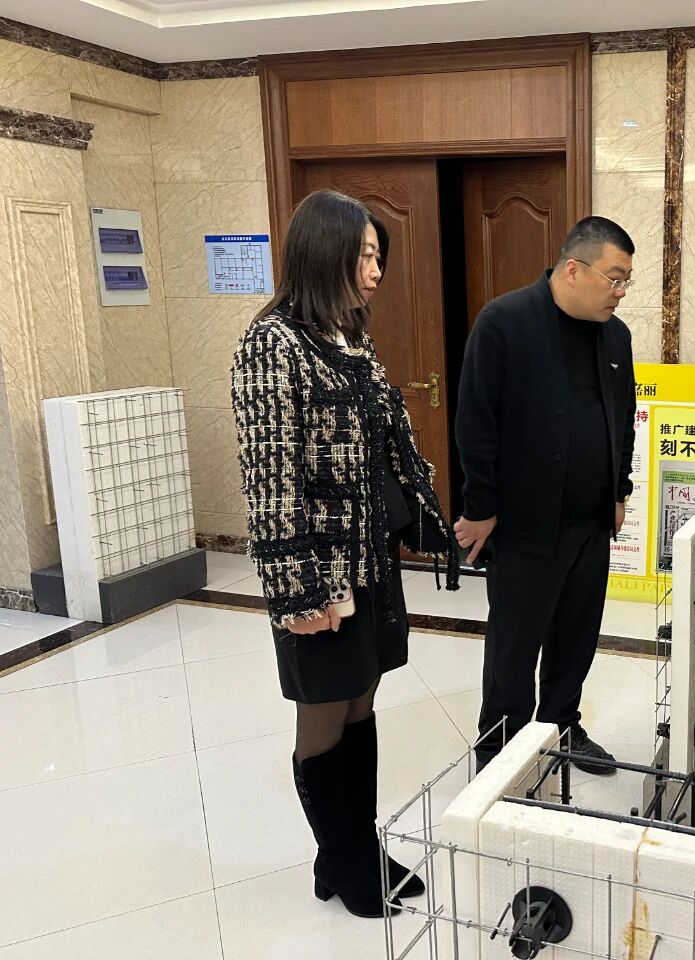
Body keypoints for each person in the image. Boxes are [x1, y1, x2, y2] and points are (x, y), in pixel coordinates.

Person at [230, 190, 459, 919]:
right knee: (324, 718)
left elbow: (385, 446)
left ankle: (355, 849)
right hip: (320, 575)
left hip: (369, 566)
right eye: (364, 255)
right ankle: (342, 861)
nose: (376, 270)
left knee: (361, 704)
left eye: (377, 255)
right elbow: (271, 480)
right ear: (323, 251)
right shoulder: (273, 344)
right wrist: (298, 594)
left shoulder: (349, 338)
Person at [453, 216, 637, 774]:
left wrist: (619, 491)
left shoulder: (615, 336)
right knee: (515, 642)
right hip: (524, 520)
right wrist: (480, 508)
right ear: (573, 269)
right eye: (614, 278)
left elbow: (622, 420)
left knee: (576, 634)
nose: (621, 292)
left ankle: (562, 724)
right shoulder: (504, 323)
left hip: (590, 519)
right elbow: (476, 424)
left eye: (626, 281)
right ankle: (500, 746)